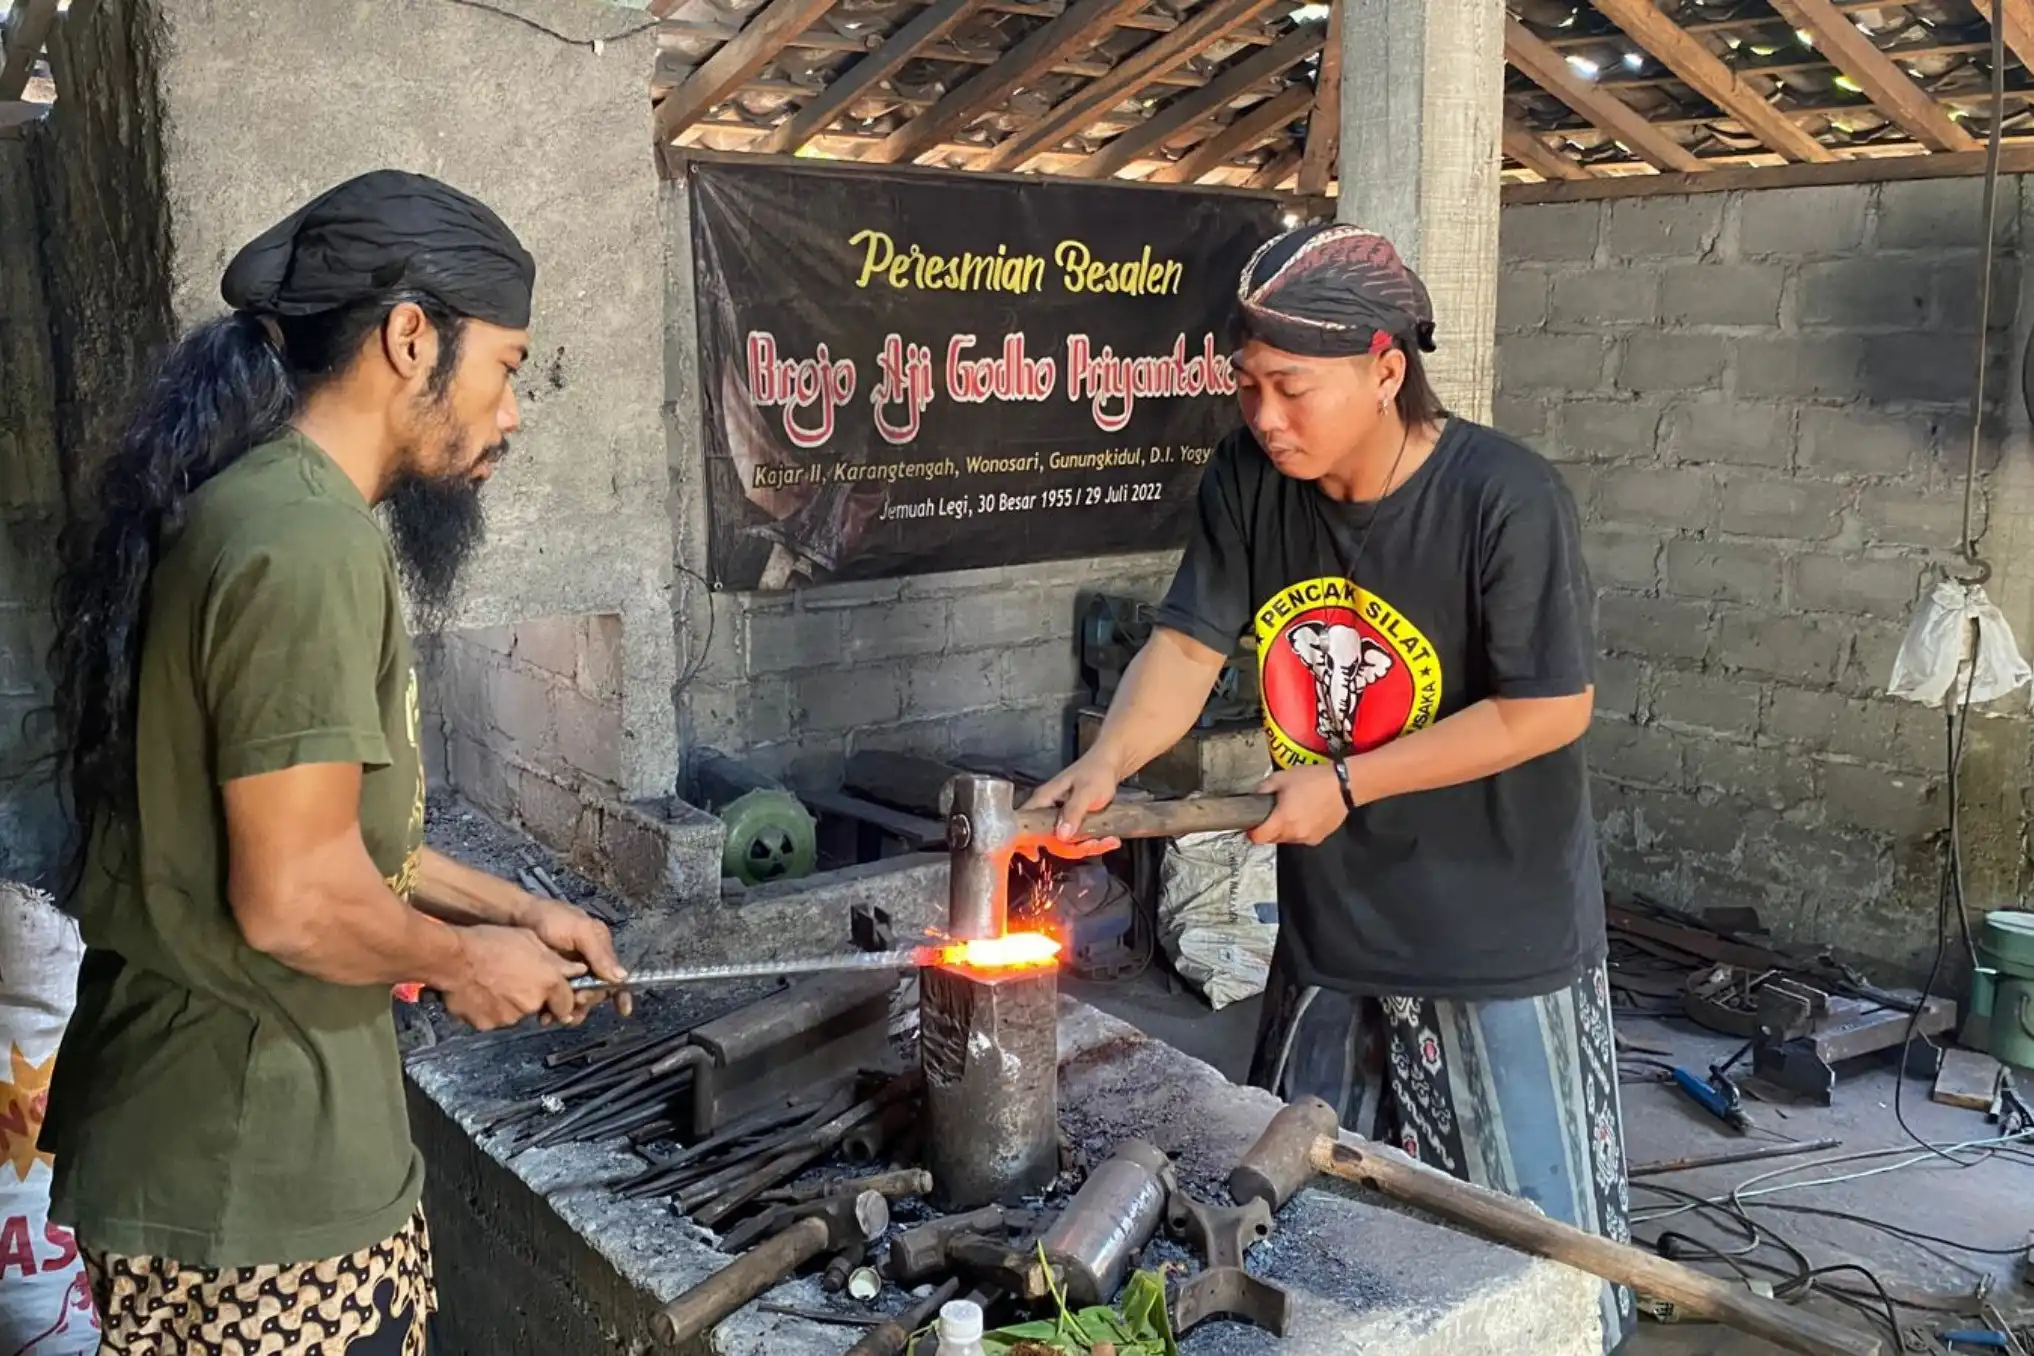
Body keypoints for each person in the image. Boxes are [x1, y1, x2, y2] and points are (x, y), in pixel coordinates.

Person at [38, 169, 631, 1356]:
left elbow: (335, 843)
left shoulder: (266, 511)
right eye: (508, 366)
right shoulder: (301, 543)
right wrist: (467, 963)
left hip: (235, 1160)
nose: (512, 411)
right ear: (413, 338)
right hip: (250, 1197)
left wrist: (523, 908)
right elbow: (298, 896)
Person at [1026, 222, 1634, 1352]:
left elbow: (1548, 708)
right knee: (1298, 1249)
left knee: (1536, 1279)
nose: (1264, 416)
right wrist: (1110, 761)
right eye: (1247, 387)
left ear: (1387, 368)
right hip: (1333, 935)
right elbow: (1189, 643)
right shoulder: (1252, 482)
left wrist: (1346, 783)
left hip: (1495, 942)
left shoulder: (1506, 498)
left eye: (1292, 388)